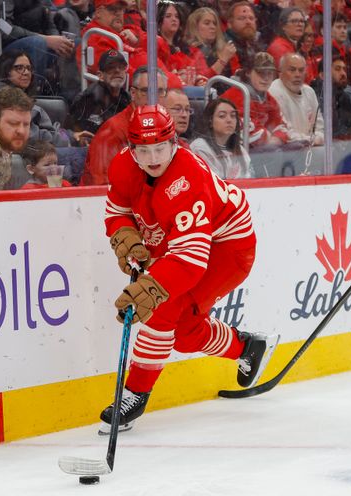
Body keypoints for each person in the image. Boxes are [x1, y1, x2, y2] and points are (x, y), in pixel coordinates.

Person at [99, 104, 278, 433]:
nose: (153, 158)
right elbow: (116, 210)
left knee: (163, 307)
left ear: (174, 143)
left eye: (160, 148)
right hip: (175, 244)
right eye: (144, 150)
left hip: (227, 247)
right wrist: (125, 236)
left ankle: (134, 394)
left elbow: (190, 260)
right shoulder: (124, 165)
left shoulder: (187, 179)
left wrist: (150, 289)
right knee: (183, 335)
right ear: (132, 149)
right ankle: (248, 347)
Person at [81, 65, 168, 185]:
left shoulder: (165, 127)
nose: (154, 98)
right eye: (146, 91)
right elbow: (103, 187)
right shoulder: (113, 131)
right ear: (133, 93)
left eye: (160, 91)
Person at [220, 52, 289, 150]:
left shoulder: (267, 97)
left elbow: (281, 126)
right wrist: (271, 137)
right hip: (231, 150)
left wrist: (278, 138)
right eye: (260, 73)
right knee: (273, 150)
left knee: (297, 146)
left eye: (269, 73)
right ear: (248, 72)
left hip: (252, 149)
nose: (266, 78)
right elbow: (246, 135)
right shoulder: (237, 95)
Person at [64, 49, 131, 140]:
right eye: (111, 68)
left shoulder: (127, 99)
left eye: (121, 67)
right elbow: (70, 131)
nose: (117, 70)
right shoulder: (86, 99)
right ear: (100, 75)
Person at [268, 53, 324, 146]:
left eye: (301, 70)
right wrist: (312, 140)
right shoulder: (273, 92)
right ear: (280, 73)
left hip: (310, 147)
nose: (297, 74)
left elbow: (320, 127)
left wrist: (317, 138)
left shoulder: (309, 91)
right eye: (292, 70)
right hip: (285, 151)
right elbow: (283, 133)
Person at [190, 98, 252, 179]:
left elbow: (248, 178)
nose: (229, 120)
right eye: (222, 116)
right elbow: (212, 182)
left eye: (233, 116)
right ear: (210, 121)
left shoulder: (240, 149)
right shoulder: (200, 147)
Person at [184, 7, 237, 77]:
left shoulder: (224, 48)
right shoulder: (190, 51)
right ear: (195, 27)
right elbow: (203, 80)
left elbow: (236, 74)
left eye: (214, 23)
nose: (213, 27)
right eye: (207, 23)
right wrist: (223, 60)